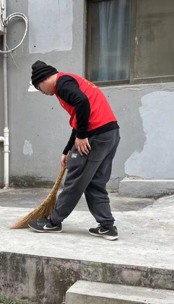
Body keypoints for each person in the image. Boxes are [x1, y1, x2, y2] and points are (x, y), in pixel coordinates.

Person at [28, 61, 120, 241]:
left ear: (44, 79)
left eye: (40, 88)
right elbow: (78, 118)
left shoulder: (62, 84)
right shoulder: (70, 81)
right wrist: (68, 149)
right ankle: (107, 226)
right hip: (110, 134)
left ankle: (53, 222)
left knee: (75, 180)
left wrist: (83, 135)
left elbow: (82, 102)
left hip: (95, 136)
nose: (43, 93)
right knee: (95, 183)